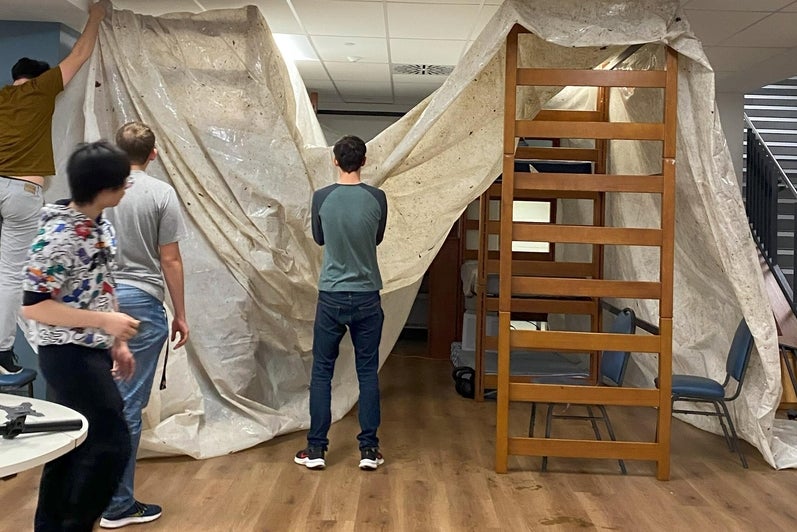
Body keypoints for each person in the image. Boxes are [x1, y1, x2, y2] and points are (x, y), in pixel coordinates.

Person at [21, 140, 141, 532]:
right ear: (104, 189)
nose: (127, 188)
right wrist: (105, 324)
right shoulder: (58, 238)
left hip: (92, 348)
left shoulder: (99, 224)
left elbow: (101, 286)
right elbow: (34, 306)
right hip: (66, 354)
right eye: (123, 183)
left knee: (72, 444)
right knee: (111, 444)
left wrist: (116, 342)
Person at [0, 0, 108, 375]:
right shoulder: (42, 89)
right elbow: (79, 53)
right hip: (22, 193)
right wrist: (96, 15)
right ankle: (3, 351)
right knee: (12, 272)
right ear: (37, 77)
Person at [99, 121, 189, 529]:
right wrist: (181, 314)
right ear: (153, 154)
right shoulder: (161, 193)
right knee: (127, 406)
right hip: (140, 308)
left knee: (98, 401)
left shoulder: (96, 189)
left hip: (95, 307)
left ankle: (87, 496)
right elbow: (169, 259)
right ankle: (117, 504)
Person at [295, 135, 388, 471]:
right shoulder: (378, 198)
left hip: (332, 295)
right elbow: (377, 238)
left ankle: (316, 450)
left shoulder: (321, 198)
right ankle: (369, 450)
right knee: (367, 373)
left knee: (322, 372)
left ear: (335, 160)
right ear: (363, 161)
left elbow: (320, 238)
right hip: (367, 296)